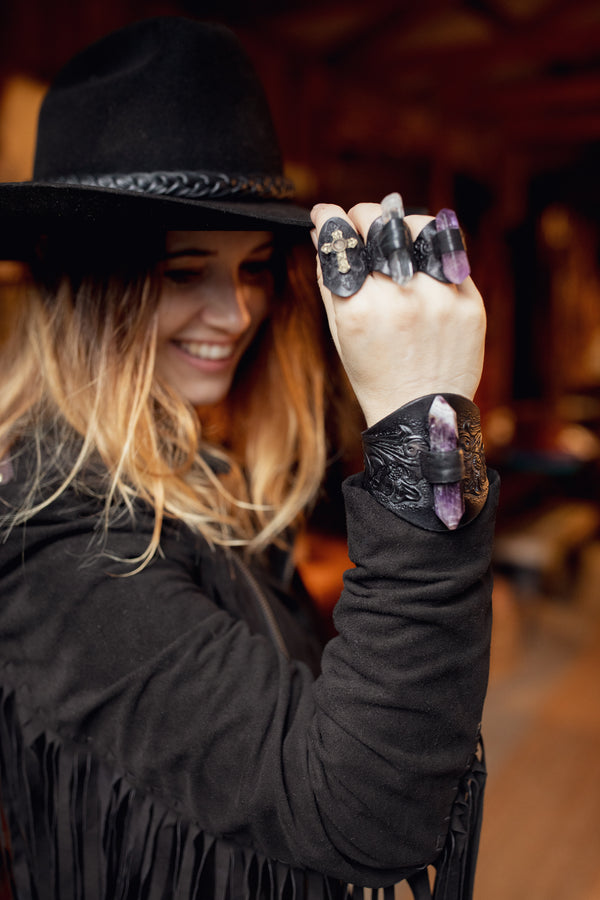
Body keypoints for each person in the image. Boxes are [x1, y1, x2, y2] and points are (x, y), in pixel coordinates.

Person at [0, 17, 497, 900]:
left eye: (257, 268)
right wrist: (424, 432)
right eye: (186, 270)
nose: (236, 314)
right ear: (86, 293)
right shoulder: (61, 546)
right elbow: (364, 810)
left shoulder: (193, 478)